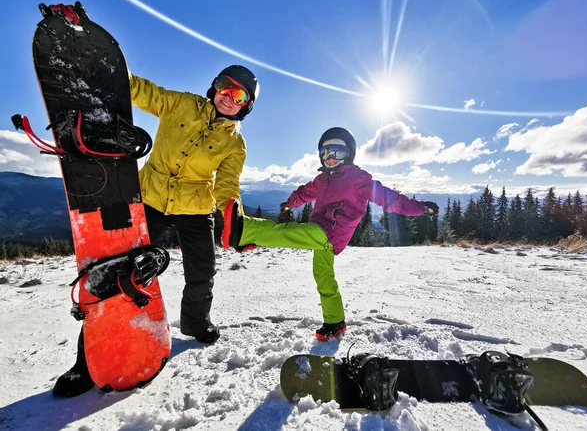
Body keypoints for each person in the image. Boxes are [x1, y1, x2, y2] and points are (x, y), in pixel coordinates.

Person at [52, 65, 259, 397]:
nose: (228, 96)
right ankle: (86, 364)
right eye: (224, 86)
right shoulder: (182, 104)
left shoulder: (236, 144)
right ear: (214, 86)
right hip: (150, 199)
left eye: (238, 94)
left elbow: (227, 185)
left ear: (246, 106)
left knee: (203, 271)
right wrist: (114, 72)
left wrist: (232, 213)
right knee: (119, 269)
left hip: (195, 208)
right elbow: (145, 92)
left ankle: (195, 322)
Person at [221, 127, 438, 341]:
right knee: (324, 278)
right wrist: (289, 204)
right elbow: (305, 192)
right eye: (326, 153)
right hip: (322, 234)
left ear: (349, 154)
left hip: (331, 232)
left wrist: (420, 208)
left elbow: (390, 199)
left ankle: (244, 230)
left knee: (285, 232)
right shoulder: (323, 179)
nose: (330, 158)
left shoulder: (359, 180)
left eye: (337, 152)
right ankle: (335, 322)